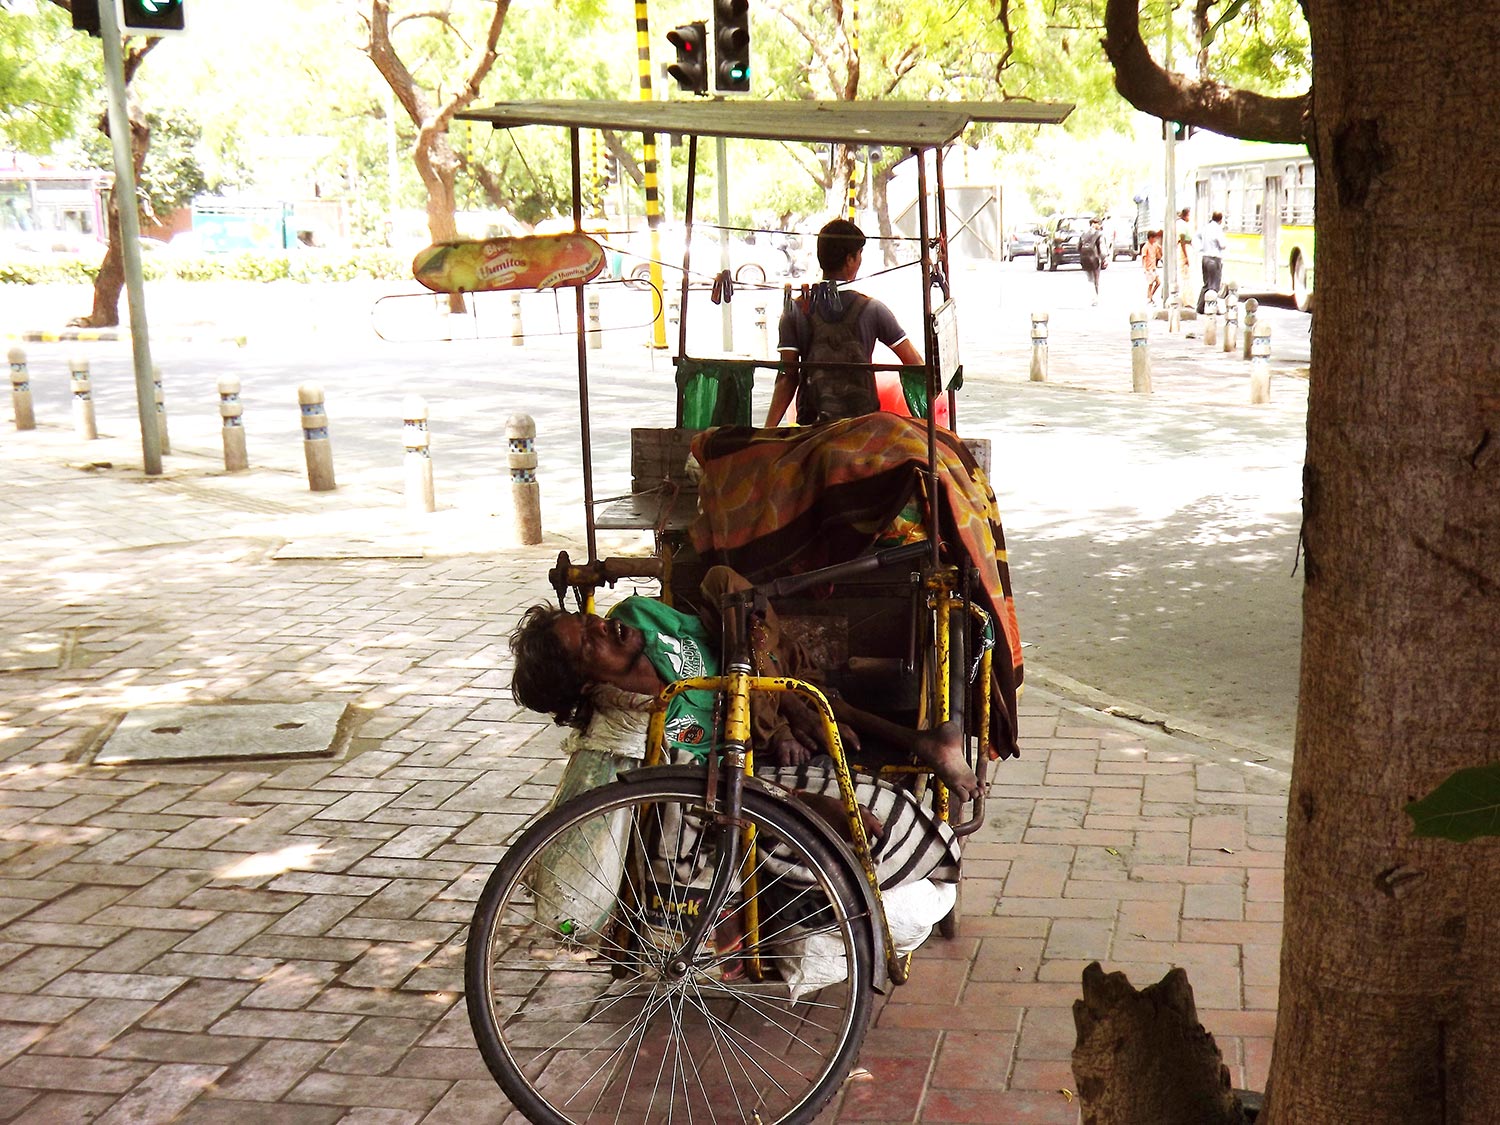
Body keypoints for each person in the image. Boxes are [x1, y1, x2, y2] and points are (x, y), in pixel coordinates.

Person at [509, 565, 981, 802]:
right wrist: (779, 725)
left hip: (767, 657)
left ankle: (794, 703)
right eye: (588, 644)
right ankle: (925, 743)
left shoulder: (634, 615)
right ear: (587, 682)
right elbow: (723, 753)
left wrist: (780, 697)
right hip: (756, 720)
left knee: (724, 583)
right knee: (783, 705)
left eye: (584, 619)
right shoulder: (650, 718)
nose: (599, 626)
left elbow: (721, 627)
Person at [765, 219, 924, 427]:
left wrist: (767, 431)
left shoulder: (794, 310)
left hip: (811, 430)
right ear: (850, 260)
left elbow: (787, 378)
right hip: (862, 427)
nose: (859, 262)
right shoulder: (874, 309)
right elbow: (915, 365)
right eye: (859, 255)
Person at [1196, 210, 1228, 314]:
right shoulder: (1218, 229)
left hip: (1205, 257)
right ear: (1220, 219)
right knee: (1214, 285)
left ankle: (1200, 307)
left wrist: (1201, 248)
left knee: (1206, 284)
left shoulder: (1205, 227)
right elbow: (1222, 244)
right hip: (1214, 259)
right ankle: (1212, 308)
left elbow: (1196, 237)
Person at [1078, 217, 1105, 305]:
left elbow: (1078, 247)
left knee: (1089, 279)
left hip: (1084, 259)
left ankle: (1092, 296)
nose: (1099, 226)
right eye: (1098, 224)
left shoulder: (1083, 234)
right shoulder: (1099, 234)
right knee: (1096, 279)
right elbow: (1102, 249)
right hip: (1095, 259)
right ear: (1094, 224)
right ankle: (1095, 298)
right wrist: (1104, 258)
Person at [1141, 229, 1164, 306]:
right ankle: (1150, 298)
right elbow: (1144, 257)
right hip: (1148, 268)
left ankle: (1150, 296)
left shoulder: (1155, 245)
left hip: (1154, 267)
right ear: (1150, 238)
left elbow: (1158, 253)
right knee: (1150, 284)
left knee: (1158, 282)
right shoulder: (1145, 247)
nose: (1155, 239)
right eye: (1154, 238)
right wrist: (1144, 268)